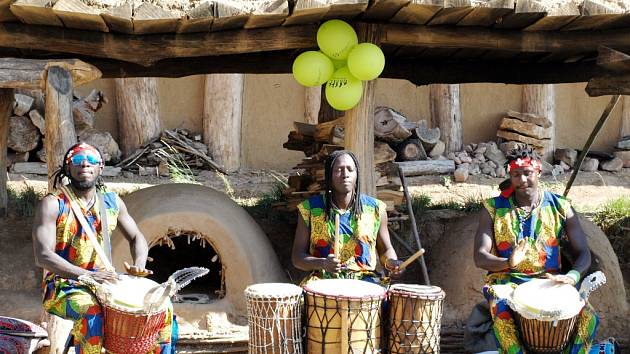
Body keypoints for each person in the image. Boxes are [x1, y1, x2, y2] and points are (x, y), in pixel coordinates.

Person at [32, 142, 175, 353]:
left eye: (92, 161)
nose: (85, 165)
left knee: (163, 308)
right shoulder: (53, 204)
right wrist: (85, 276)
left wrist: (138, 266)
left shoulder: (112, 201)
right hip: (63, 285)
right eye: (78, 161)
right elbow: (43, 255)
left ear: (101, 167)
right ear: (68, 167)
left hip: (105, 280)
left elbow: (137, 237)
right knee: (91, 313)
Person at [474, 146, 598, 354]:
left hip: (551, 282)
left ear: (538, 172)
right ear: (510, 176)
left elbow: (583, 252)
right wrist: (507, 263)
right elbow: (480, 257)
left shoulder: (561, 207)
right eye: (516, 174)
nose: (522, 180)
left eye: (527, 173)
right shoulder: (493, 208)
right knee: (502, 311)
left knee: (589, 317)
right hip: (507, 281)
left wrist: (573, 277)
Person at [291, 149, 403, 285]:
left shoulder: (375, 209)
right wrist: (323, 263)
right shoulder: (310, 209)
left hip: (365, 283)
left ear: (357, 175)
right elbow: (297, 258)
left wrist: (392, 262)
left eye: (350, 169)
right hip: (323, 282)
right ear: (329, 176)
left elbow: (386, 250)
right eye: (339, 170)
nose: (345, 174)